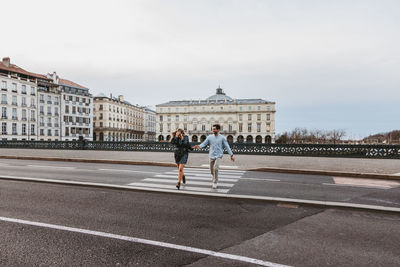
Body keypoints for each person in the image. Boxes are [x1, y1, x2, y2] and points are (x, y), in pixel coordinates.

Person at [193, 124, 235, 189]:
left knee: (215, 168)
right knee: (211, 171)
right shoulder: (210, 137)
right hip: (211, 155)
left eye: (214, 129)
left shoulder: (222, 138)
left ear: (218, 130)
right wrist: (199, 146)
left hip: (219, 155)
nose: (213, 130)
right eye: (212, 129)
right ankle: (215, 177)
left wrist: (231, 155)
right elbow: (204, 143)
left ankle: (215, 182)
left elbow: (227, 146)